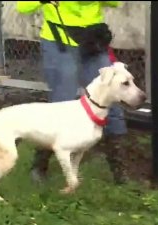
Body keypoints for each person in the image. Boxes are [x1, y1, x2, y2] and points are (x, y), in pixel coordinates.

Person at [16, 1, 129, 184]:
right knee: (61, 103)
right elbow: (23, 6)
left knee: (111, 103)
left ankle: (120, 172)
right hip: (59, 40)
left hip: (93, 40)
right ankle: (40, 165)